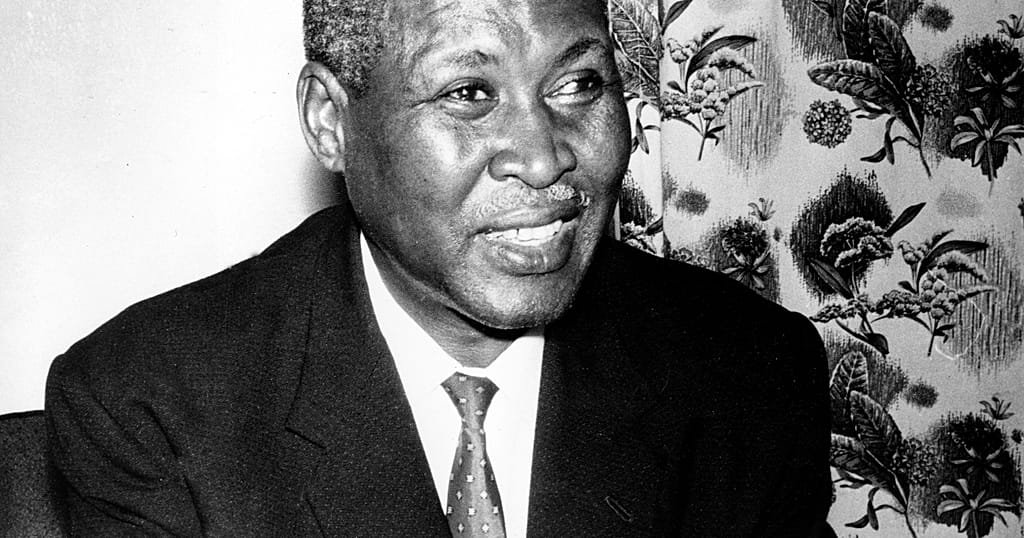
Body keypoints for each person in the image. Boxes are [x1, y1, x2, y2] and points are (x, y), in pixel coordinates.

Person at [45, 0, 834, 536]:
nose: (543, 158)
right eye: (468, 93)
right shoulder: (149, 402)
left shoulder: (747, 371)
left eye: (579, 84)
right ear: (331, 121)